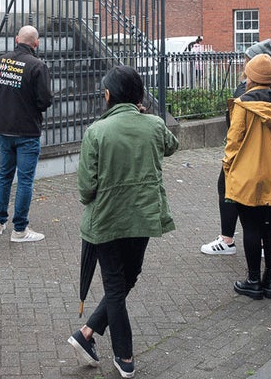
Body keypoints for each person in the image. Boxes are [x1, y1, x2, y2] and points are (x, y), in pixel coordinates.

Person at [66, 66, 178, 379]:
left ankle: (88, 334)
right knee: (126, 280)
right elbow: (172, 146)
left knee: (119, 284)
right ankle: (123, 356)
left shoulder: (97, 131)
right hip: (141, 219)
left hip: (105, 222)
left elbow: (87, 188)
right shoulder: (154, 124)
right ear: (139, 95)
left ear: (108, 95)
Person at [201, 39, 271, 257]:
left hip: (245, 159)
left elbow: (235, 133)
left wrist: (228, 163)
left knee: (240, 207)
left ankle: (228, 242)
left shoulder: (245, 96)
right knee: (270, 221)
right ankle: (269, 279)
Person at [222, 54, 271, 300]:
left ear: (250, 77)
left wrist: (228, 167)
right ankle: (269, 281)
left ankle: (253, 280)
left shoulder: (242, 105)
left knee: (250, 227)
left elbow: (234, 141)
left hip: (248, 174)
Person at [0, 25, 54, 242]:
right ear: (36, 43)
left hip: (5, 129)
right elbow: (44, 101)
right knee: (25, 180)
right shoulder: (38, 66)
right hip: (27, 131)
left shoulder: (0, 61)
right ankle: (20, 230)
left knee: (4, 176)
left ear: (17, 39)